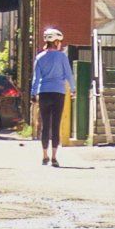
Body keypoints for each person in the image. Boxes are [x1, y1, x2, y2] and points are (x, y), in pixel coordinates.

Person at [31, 28, 73, 167]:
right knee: (56, 125)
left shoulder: (39, 57)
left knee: (45, 125)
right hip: (58, 93)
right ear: (55, 42)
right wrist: (73, 89)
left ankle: (44, 156)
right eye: (59, 41)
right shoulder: (62, 57)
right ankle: (54, 157)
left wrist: (33, 93)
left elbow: (36, 78)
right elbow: (68, 74)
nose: (60, 44)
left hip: (44, 92)